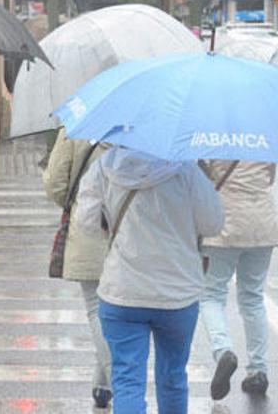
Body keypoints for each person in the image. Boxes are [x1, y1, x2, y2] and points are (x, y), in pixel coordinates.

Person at [75, 146, 224, 414]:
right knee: (173, 378)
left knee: (127, 381)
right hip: (177, 294)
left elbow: (85, 221)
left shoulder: (105, 166)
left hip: (122, 291)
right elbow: (213, 224)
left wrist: (108, 223)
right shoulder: (188, 170)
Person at [199, 161, 278, 399]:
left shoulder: (212, 139)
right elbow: (269, 178)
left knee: (211, 295)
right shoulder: (261, 139)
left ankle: (223, 350)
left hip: (223, 226)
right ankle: (258, 370)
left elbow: (202, 184)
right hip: (262, 225)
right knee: (253, 298)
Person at [42, 129, 112, 408]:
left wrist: (78, 201)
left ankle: (120, 380)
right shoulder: (139, 120)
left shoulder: (76, 125)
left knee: (96, 307)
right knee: (115, 309)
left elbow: (55, 184)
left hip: (89, 225)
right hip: (131, 231)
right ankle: (103, 383)